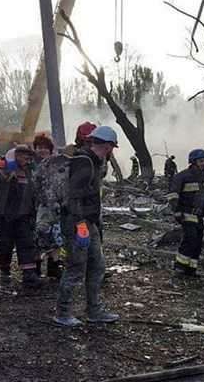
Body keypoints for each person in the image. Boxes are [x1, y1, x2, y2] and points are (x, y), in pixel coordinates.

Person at [54, 126, 120, 327]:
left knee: (97, 266)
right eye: (111, 147)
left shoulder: (94, 162)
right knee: (75, 267)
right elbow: (73, 197)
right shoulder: (84, 162)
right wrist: (81, 225)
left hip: (88, 222)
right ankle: (63, 313)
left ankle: (94, 310)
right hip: (77, 223)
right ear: (108, 146)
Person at [0, 144, 42, 288]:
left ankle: (29, 274)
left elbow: (34, 190)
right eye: (23, 155)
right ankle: (5, 270)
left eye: (29, 156)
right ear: (15, 155)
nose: (27, 158)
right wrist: (6, 173)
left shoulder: (30, 170)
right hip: (3, 215)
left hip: (23, 214)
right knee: (5, 244)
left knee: (26, 243)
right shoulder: (2, 167)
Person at [167, 149, 204, 277]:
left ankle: (191, 269)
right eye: (201, 161)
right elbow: (173, 195)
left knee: (198, 243)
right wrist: (177, 211)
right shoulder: (182, 176)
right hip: (186, 213)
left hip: (200, 216)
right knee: (190, 239)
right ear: (193, 162)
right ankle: (179, 267)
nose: (203, 164)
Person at [32, 133, 64, 279]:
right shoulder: (31, 164)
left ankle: (53, 267)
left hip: (56, 207)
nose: (42, 150)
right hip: (38, 208)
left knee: (56, 237)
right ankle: (36, 268)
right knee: (38, 237)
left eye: (45, 147)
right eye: (39, 147)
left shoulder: (58, 164)